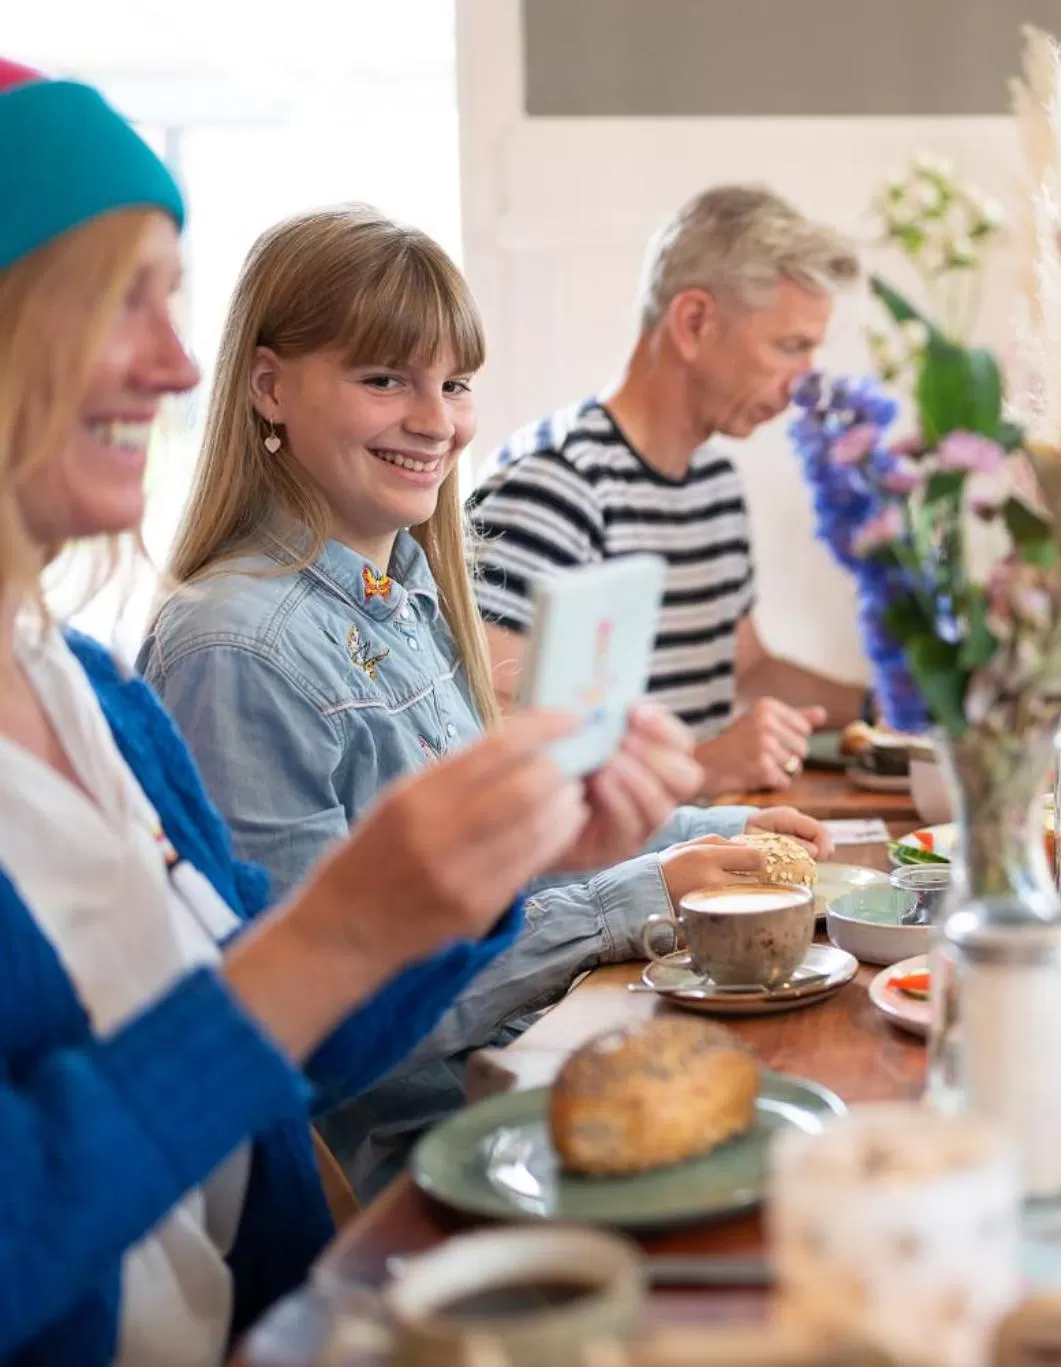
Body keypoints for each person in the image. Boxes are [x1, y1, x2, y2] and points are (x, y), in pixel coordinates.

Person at [0, 61, 663, 1362]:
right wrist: (340, 928)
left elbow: (288, 1051)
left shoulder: (91, 694)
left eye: (173, 299)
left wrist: (489, 874)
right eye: (115, 301)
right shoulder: (224, 638)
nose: (174, 362)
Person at [140, 206, 829, 1192]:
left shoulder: (408, 588)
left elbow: (506, 858)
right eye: (385, 379)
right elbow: (328, 1021)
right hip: (437, 1160)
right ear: (269, 385)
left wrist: (716, 831)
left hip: (533, 1067)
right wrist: (636, 895)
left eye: (455, 383)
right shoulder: (235, 648)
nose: (438, 421)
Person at [467, 185, 872, 795]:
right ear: (693, 322)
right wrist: (703, 767)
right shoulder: (552, 484)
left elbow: (747, 669)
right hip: (624, 853)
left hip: (702, 835)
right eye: (790, 347)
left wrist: (888, 708)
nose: (804, 384)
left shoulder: (713, 483)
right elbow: (492, 735)